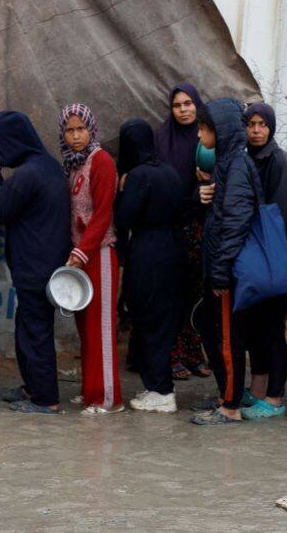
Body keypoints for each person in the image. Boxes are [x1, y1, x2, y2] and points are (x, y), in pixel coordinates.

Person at [0, 111, 71, 415]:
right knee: (28, 327)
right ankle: (32, 387)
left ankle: (46, 399)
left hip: (35, 266)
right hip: (46, 262)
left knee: (35, 332)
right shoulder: (47, 166)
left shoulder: (27, 175)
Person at [189, 98, 258, 426]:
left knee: (228, 338)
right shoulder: (226, 163)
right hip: (220, 265)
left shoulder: (237, 166)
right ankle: (224, 394)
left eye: (204, 128)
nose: (200, 134)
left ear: (221, 131)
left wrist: (220, 271)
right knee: (215, 332)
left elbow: (236, 222)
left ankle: (231, 406)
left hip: (228, 270)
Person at [115, 118, 185, 413]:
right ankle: (158, 385)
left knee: (148, 320)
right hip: (174, 251)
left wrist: (121, 191)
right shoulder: (169, 172)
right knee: (164, 322)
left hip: (147, 253)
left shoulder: (138, 176)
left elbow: (123, 219)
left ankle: (161, 390)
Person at [60, 103, 123, 415]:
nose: (75, 136)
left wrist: (81, 252)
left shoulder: (102, 162)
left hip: (99, 254)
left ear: (91, 129)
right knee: (86, 328)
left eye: (80, 129)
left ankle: (108, 399)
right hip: (80, 257)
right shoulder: (73, 165)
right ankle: (91, 391)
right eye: (70, 130)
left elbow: (102, 214)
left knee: (102, 328)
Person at [237, 102, 287, 420]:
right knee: (254, 327)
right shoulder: (248, 159)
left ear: (271, 127)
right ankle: (258, 389)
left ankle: (275, 397)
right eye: (251, 124)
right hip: (253, 255)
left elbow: (278, 218)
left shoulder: (279, 163)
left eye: (262, 124)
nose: (256, 130)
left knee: (272, 329)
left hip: (272, 256)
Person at [154, 83, 211, 380]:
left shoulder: (208, 138)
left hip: (202, 226)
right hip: (172, 227)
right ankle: (173, 354)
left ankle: (193, 352)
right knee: (174, 293)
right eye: (178, 105)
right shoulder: (162, 140)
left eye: (189, 103)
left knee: (197, 294)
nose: (184, 109)